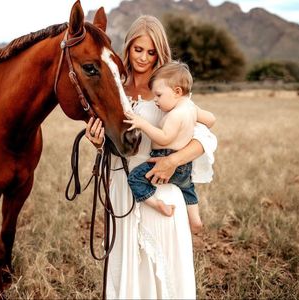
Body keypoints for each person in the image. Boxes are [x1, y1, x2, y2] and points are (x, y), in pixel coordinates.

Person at [85, 15, 217, 299]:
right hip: (122, 188)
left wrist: (173, 160)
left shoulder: (167, 89)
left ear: (160, 52)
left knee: (163, 272)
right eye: (138, 49)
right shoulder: (114, 86)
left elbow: (205, 137)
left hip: (161, 185)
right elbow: (116, 144)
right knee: (126, 267)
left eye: (151, 51)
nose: (143, 58)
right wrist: (98, 143)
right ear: (128, 48)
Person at [124, 61, 214, 235]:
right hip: (184, 167)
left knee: (134, 178)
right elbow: (211, 120)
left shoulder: (175, 114)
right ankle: (195, 219)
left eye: (158, 95)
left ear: (177, 92)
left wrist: (143, 124)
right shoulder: (190, 107)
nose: (155, 100)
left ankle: (156, 204)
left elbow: (164, 138)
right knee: (188, 188)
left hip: (164, 158)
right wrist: (197, 116)